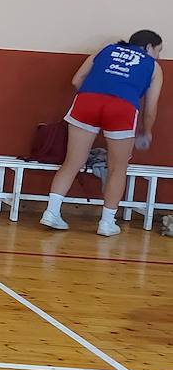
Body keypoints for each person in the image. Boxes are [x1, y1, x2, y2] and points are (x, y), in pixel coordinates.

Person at [41, 30, 163, 237]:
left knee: (72, 162)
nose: (159, 55)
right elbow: (150, 109)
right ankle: (107, 223)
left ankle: (51, 212)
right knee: (117, 168)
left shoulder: (106, 50)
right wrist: (147, 131)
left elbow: (76, 79)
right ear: (149, 47)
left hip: (87, 101)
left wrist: (92, 97)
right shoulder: (153, 67)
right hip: (122, 107)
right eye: (159, 50)